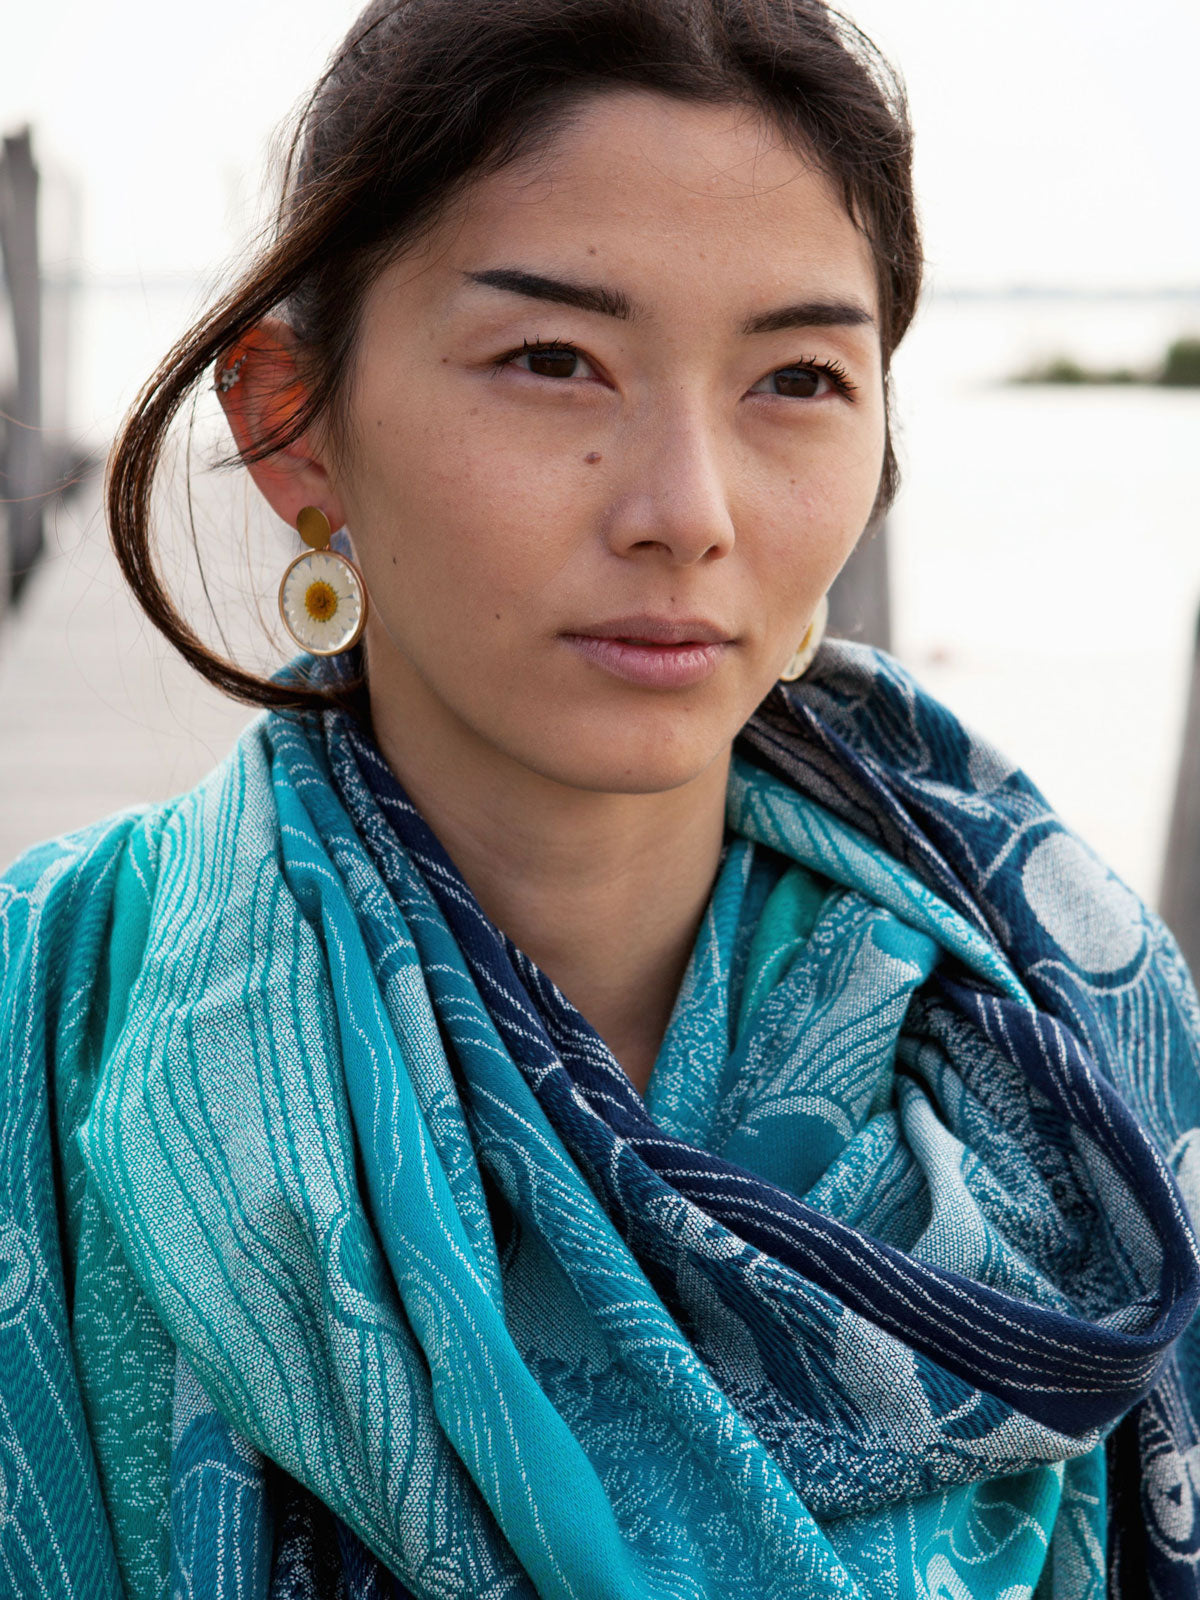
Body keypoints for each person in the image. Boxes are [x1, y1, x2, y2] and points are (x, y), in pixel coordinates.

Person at [2, 0, 1199, 1594]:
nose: (687, 512)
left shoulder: (1079, 1045)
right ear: (292, 425)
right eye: (554, 360)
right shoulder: (48, 1016)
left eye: (796, 379)